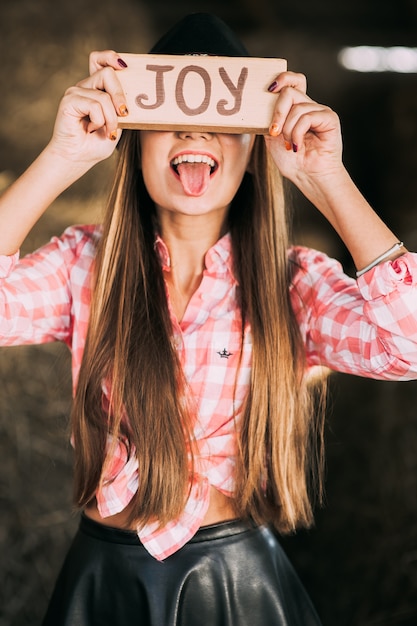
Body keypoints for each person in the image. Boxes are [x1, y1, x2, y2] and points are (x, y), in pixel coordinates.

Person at [1, 12, 417, 626]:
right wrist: (62, 158)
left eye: (222, 123)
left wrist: (325, 177)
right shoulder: (81, 264)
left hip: (236, 581)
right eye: (169, 120)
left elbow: (408, 344)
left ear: (253, 147)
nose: (195, 134)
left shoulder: (293, 282)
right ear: (135, 138)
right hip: (104, 577)